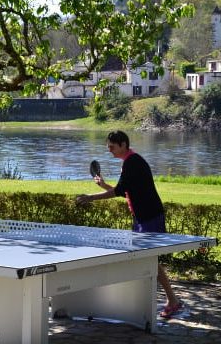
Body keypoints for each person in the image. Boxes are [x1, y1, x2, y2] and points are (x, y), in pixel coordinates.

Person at [76, 130, 183, 319]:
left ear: (123, 144)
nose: (109, 150)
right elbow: (125, 191)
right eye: (108, 147)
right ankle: (163, 300)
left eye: (112, 147)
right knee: (146, 259)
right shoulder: (130, 162)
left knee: (149, 260)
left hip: (149, 217)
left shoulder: (132, 162)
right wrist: (104, 186)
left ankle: (170, 301)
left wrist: (90, 197)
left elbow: (120, 190)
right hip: (143, 217)